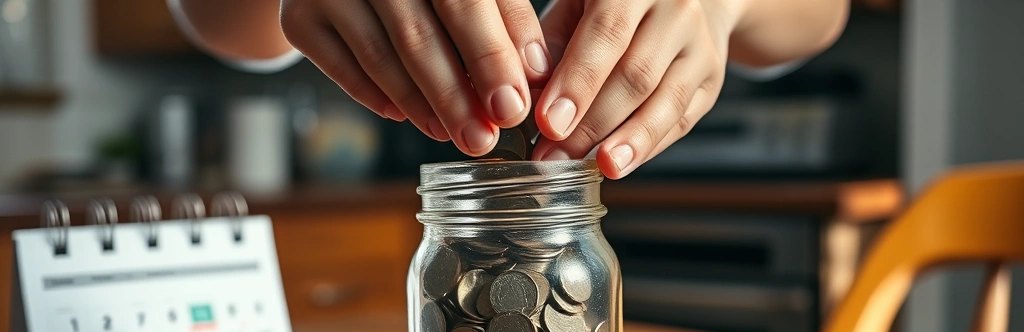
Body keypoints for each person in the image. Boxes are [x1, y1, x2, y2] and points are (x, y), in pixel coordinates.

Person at [169, 0, 849, 178]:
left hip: (618, 185)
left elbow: (822, 14)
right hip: (429, 165)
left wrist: (723, 4)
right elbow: (211, 17)